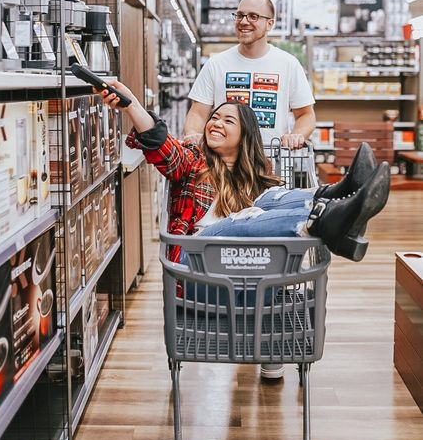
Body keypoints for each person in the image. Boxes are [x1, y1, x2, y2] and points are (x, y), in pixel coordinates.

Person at [99, 82, 390, 378]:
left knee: (270, 198)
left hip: (251, 283)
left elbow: (270, 207)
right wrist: (131, 103)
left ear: (244, 135)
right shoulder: (191, 163)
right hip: (197, 274)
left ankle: (335, 196)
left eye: (228, 120)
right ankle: (329, 219)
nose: (215, 123)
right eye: (215, 117)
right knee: (238, 222)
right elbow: (160, 144)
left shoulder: (258, 180)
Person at [184, 0, 316, 150]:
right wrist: (192, 133)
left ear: (270, 24)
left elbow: (306, 115)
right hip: (224, 167)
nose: (244, 21)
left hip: (271, 164)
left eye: (253, 16)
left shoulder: (288, 64)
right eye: (240, 15)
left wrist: (297, 135)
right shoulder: (216, 64)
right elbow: (198, 113)